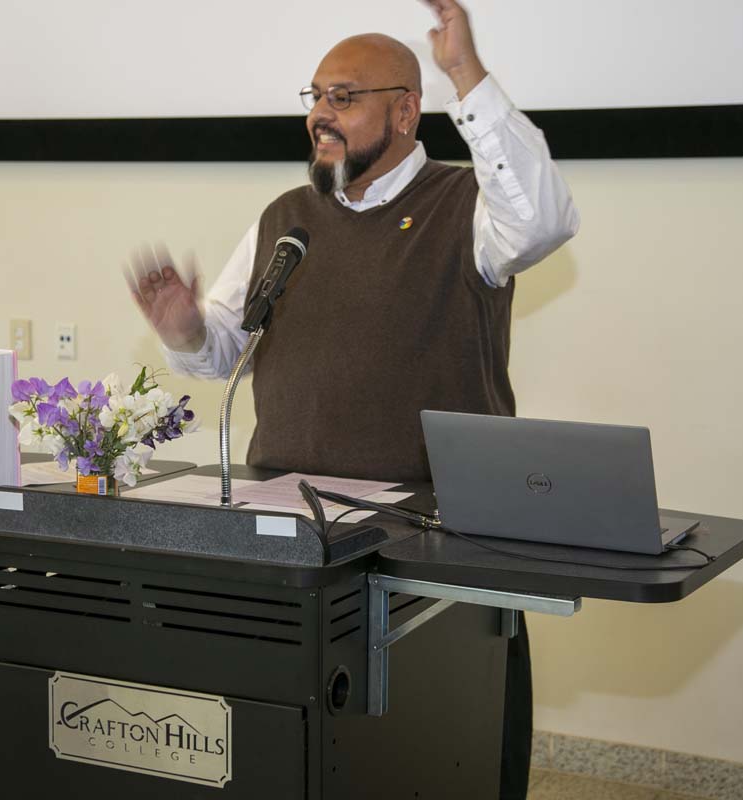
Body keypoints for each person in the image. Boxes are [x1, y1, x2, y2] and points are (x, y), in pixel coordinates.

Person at [130, 1, 579, 795]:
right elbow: (222, 351)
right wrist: (185, 329)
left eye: (343, 97)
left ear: (405, 110)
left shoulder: (466, 205)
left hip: (430, 542)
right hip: (292, 536)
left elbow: (544, 219)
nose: (319, 116)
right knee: (292, 755)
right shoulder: (289, 217)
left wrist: (465, 75)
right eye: (314, 96)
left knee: (435, 749)